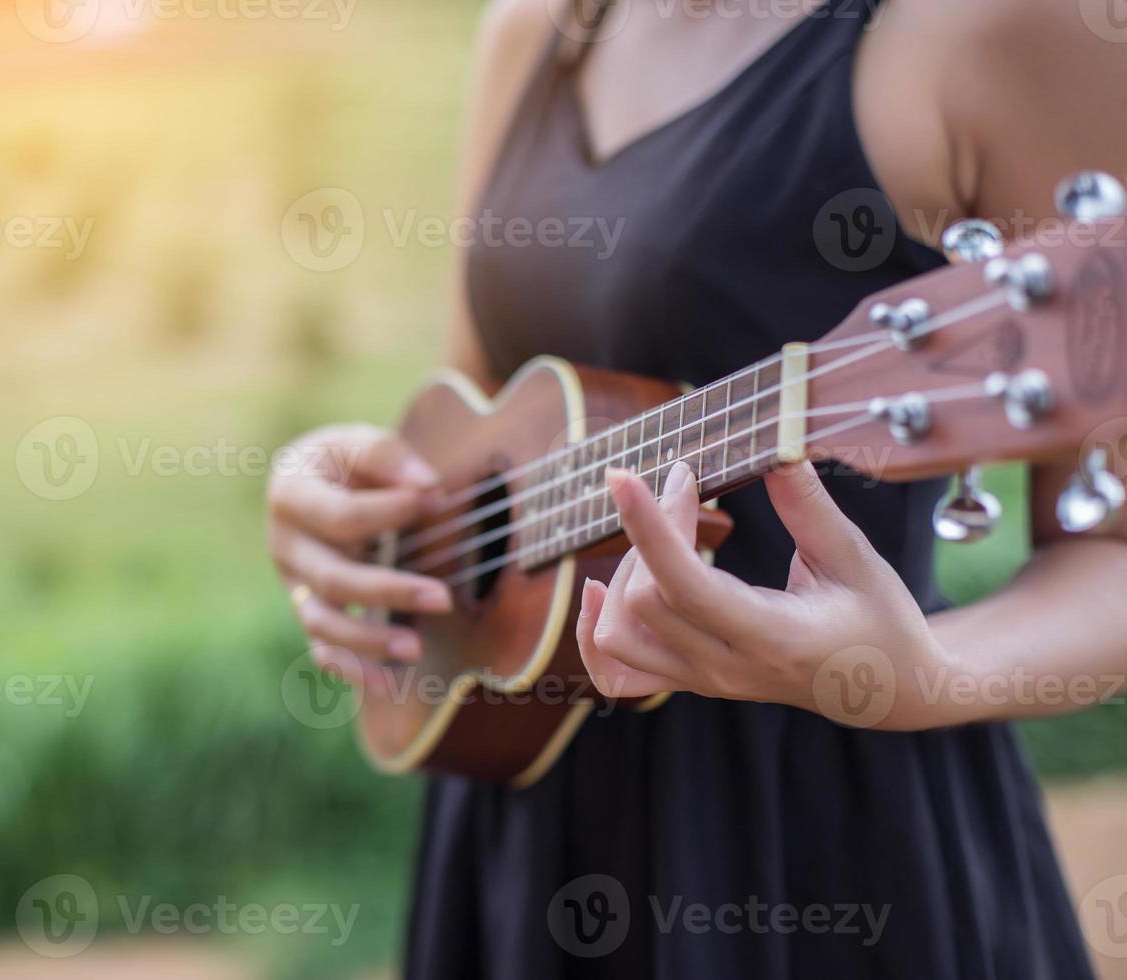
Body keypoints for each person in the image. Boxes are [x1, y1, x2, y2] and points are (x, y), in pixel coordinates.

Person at [265, 0, 1127, 974]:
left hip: (826, 835)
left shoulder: (997, 25)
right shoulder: (541, 24)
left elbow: (1115, 549)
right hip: (522, 809)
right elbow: (476, 409)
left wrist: (926, 673)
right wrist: (333, 493)